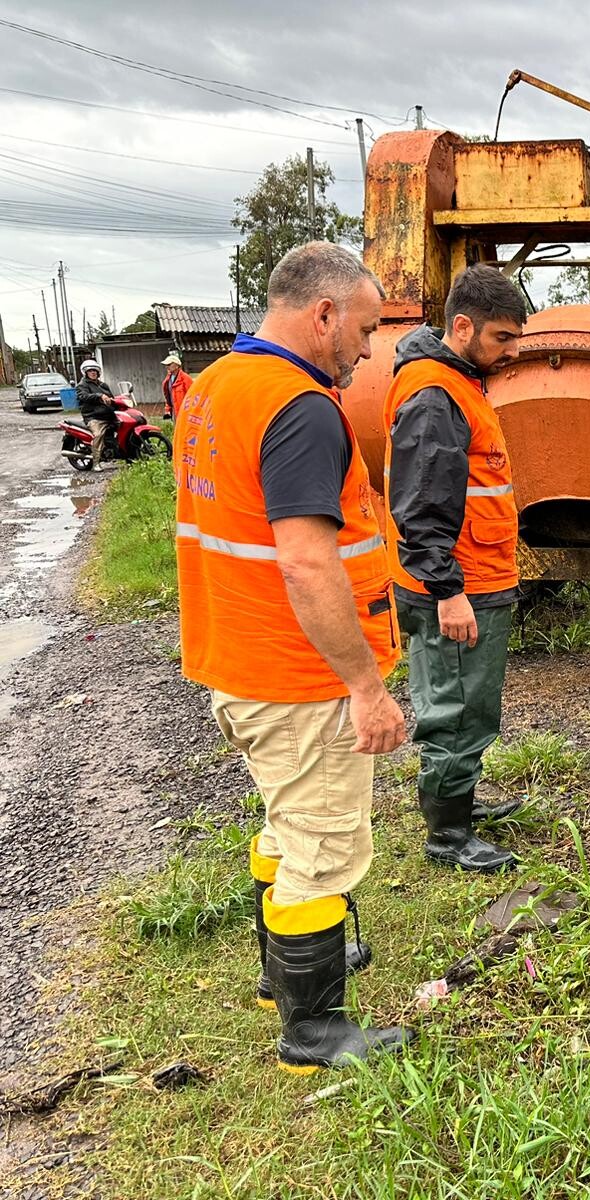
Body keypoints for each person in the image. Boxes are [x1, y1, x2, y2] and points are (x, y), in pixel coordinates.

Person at [175, 241, 412, 1073]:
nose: (367, 350)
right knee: (320, 842)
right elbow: (307, 560)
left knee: (284, 819)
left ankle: (287, 973)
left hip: (234, 658)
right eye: (366, 329)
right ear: (323, 315)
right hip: (299, 675)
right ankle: (313, 1031)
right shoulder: (302, 408)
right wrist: (365, 687)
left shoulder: (213, 390)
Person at [383, 265, 528, 873]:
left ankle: (459, 804)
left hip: (472, 576)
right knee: (456, 706)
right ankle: (447, 837)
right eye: (501, 338)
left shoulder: (455, 381)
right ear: (461, 326)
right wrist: (449, 591)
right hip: (458, 584)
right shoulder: (435, 396)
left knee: (466, 703)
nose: (511, 351)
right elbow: (421, 504)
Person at [75, 359, 118, 470]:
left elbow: (111, 398)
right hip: (94, 416)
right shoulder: (82, 385)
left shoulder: (103, 385)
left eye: (95, 371)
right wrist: (99, 396)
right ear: (86, 373)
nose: (93, 373)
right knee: (98, 434)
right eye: (90, 371)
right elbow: (83, 396)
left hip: (108, 415)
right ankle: (96, 462)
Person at [160, 351, 193, 420]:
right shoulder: (168, 380)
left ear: (177, 366)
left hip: (185, 413)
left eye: (169, 364)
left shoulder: (186, 379)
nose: (167, 367)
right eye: (166, 365)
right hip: (174, 412)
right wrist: (167, 410)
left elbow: (193, 397)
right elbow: (168, 397)